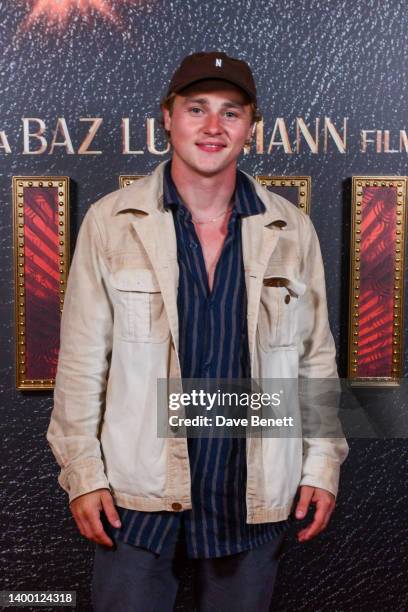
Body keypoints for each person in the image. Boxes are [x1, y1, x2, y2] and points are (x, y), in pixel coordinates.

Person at [47, 51, 349, 611]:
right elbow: (83, 362)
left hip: (252, 494)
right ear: (168, 117)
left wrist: (322, 464)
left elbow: (315, 359)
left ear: (251, 127)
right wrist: (83, 474)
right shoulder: (111, 222)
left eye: (231, 113)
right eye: (196, 109)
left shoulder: (290, 227)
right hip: (137, 498)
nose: (213, 127)